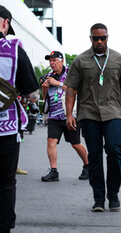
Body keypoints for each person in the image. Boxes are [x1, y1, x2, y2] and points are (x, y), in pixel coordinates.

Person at [64, 23, 121, 212]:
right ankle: (98, 198)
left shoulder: (119, 60)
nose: (99, 41)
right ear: (90, 38)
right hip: (88, 113)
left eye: (102, 38)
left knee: (114, 151)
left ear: (107, 37)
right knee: (95, 156)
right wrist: (69, 114)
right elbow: (71, 89)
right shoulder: (80, 61)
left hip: (113, 112)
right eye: (95, 38)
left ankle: (113, 194)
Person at [0, 5, 39, 233]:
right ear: (5, 23)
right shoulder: (14, 49)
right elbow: (31, 93)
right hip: (5, 127)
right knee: (5, 182)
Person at [40, 51, 88, 182]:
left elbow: (76, 89)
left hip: (70, 115)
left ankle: (87, 165)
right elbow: (45, 97)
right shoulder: (48, 76)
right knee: (51, 141)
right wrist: (44, 88)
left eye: (54, 60)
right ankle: (54, 171)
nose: (51, 63)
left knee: (76, 144)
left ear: (61, 61)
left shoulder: (71, 73)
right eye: (50, 61)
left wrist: (58, 83)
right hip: (54, 116)